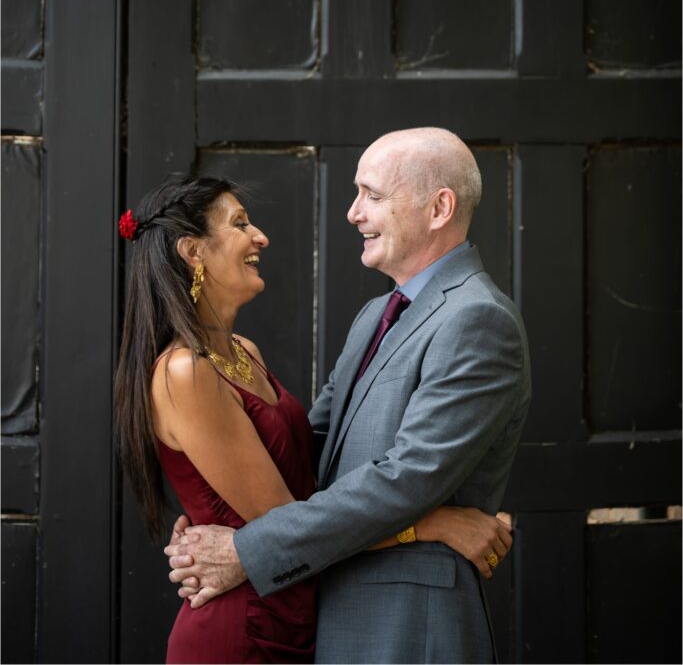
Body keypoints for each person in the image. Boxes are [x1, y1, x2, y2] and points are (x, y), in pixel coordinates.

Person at [115, 172, 514, 665]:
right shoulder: (184, 372)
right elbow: (284, 518)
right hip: (244, 629)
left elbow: (315, 469)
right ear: (193, 253)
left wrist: (241, 547)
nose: (260, 235)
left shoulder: (244, 352)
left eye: (373, 194)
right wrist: (434, 524)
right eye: (240, 223)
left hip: (301, 613)